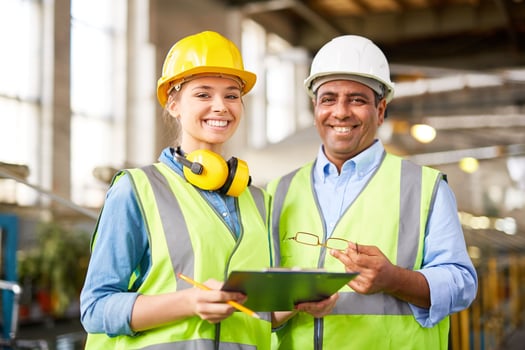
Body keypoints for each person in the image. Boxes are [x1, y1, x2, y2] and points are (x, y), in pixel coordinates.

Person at [267, 35, 478, 349]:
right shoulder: (278, 191)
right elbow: (260, 295)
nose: (340, 112)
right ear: (315, 109)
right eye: (328, 99)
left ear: (381, 110)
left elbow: (462, 283)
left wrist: (394, 279)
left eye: (357, 99)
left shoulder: (424, 187)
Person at [80, 30, 275, 349]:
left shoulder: (258, 201)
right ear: (173, 103)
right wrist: (189, 302)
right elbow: (95, 308)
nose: (221, 107)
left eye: (231, 95)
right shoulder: (137, 190)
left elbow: (257, 312)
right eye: (203, 94)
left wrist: (298, 305)